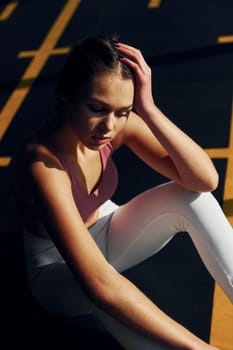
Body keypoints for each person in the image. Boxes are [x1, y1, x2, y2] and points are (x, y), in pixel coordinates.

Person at [13, 35, 233, 350]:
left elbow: (204, 180)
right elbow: (100, 285)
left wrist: (148, 109)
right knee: (108, 299)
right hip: (58, 271)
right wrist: (199, 347)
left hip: (106, 229)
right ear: (67, 95)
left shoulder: (116, 127)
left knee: (191, 198)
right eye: (97, 108)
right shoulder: (42, 164)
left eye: (122, 112)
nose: (109, 126)